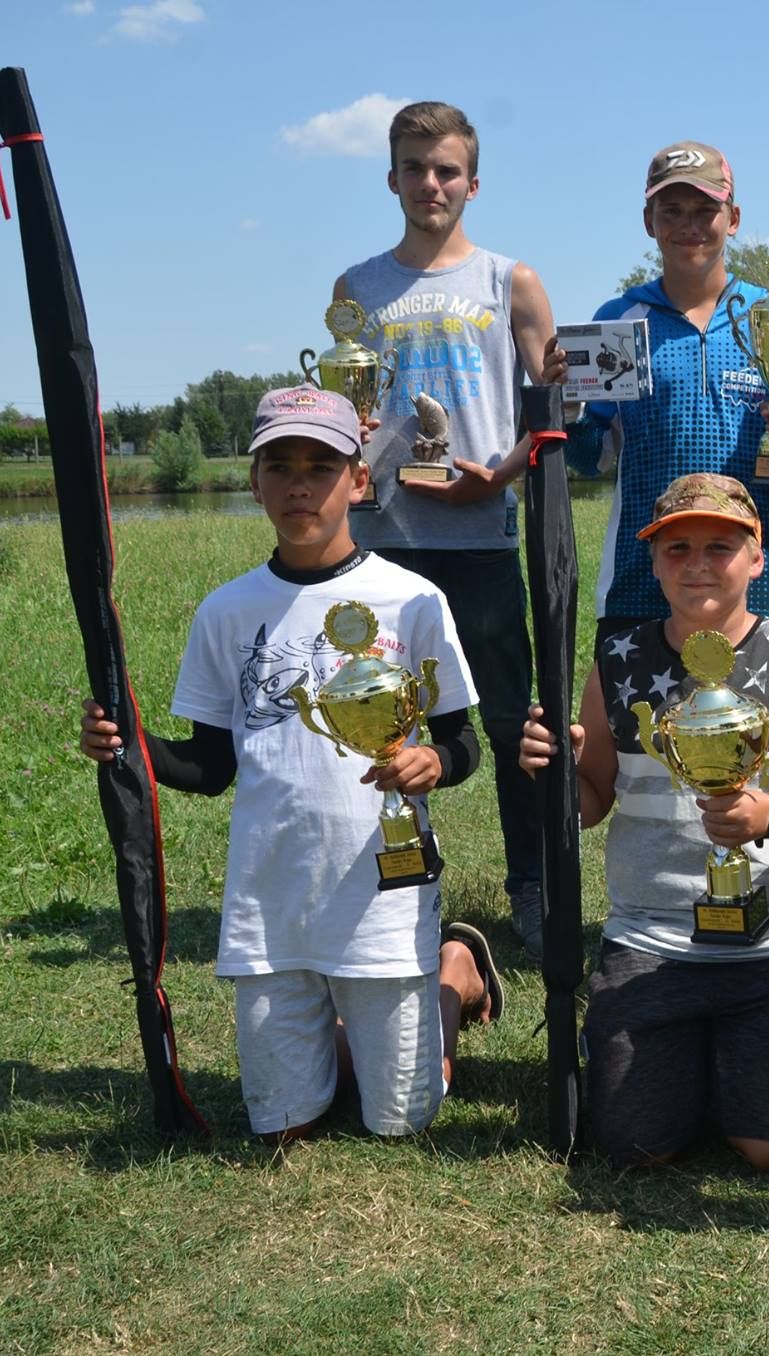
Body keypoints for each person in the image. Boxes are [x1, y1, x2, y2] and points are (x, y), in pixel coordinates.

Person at [77, 388, 503, 1142]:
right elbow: (211, 767)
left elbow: (463, 742)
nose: (300, 485)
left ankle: (453, 969)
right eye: (280, 467)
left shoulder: (413, 602)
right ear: (256, 484)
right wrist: (129, 747)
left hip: (384, 892)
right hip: (271, 903)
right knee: (283, 1128)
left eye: (322, 465)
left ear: (360, 480)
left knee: (401, 1122)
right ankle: (345, 1027)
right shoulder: (227, 611)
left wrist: (434, 762)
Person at [518, 474, 769, 1171]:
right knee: (635, 1146)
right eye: (677, 548)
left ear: (757, 557)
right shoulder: (618, 664)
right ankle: (699, 1057)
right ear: (652, 562)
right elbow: (592, 801)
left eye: (720, 546)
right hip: (653, 941)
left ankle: (736, 1058)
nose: (698, 564)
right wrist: (555, 774)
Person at [331, 100, 564, 962]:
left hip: (484, 538)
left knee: (511, 726)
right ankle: (391, 880)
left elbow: (552, 408)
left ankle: (533, 890)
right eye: (414, 167)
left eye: (447, 170)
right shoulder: (357, 288)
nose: (431, 183)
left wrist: (500, 475)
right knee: (378, 721)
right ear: (391, 176)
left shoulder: (512, 281)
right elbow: (347, 413)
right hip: (385, 542)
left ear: (473, 181)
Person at [568, 142, 769, 649]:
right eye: (671, 210)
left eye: (705, 209)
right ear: (649, 220)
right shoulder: (619, 318)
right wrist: (567, 405)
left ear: (733, 218)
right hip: (642, 584)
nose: (689, 224)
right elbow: (589, 458)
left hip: (759, 584)